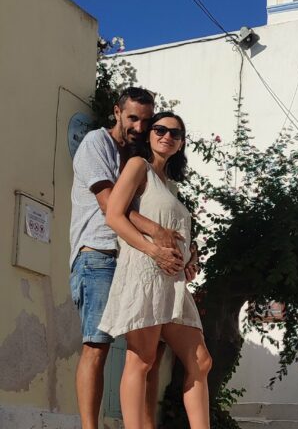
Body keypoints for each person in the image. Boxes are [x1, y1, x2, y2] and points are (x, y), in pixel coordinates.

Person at [69, 87, 187, 429]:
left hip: (132, 260)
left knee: (148, 353)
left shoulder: (137, 157)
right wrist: (157, 234)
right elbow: (111, 206)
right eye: (132, 117)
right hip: (99, 255)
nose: (138, 125)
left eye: (145, 120)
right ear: (117, 112)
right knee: (97, 345)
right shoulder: (96, 143)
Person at [99, 111, 212, 429]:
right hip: (145, 273)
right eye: (160, 129)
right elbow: (115, 216)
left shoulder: (170, 186)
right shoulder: (139, 167)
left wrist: (191, 258)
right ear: (149, 134)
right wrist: (152, 250)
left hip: (173, 283)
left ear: (181, 143)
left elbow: (176, 232)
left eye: (175, 133)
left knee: (200, 361)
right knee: (141, 358)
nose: (167, 136)